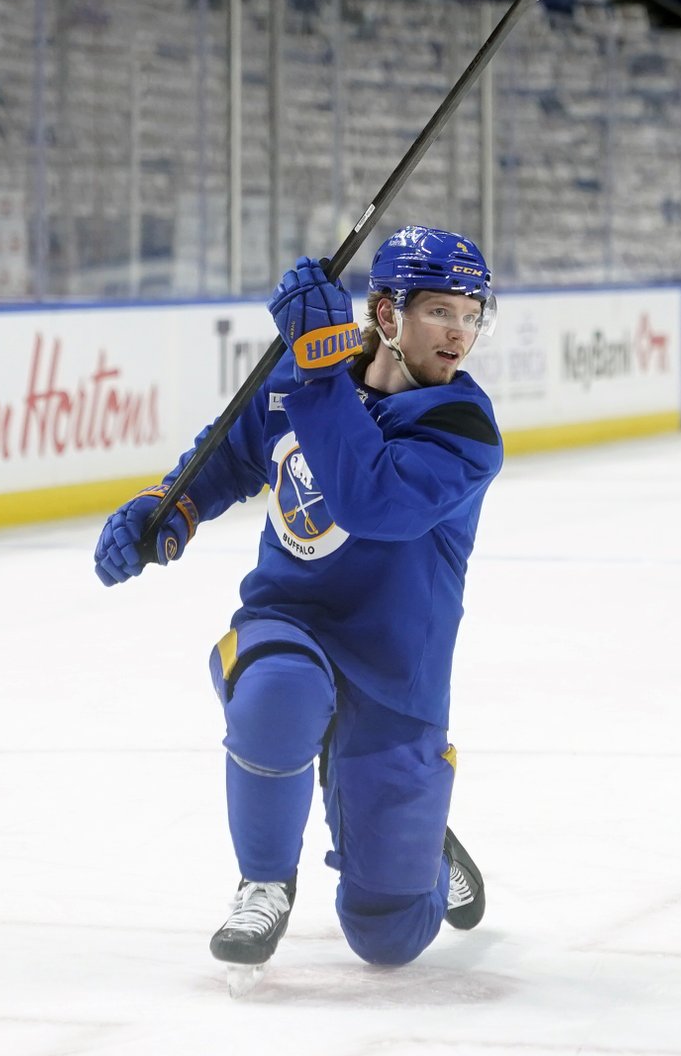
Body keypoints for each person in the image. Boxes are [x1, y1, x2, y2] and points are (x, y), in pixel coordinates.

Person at [94, 225, 503, 982]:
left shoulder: (463, 430)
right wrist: (167, 509)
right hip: (293, 618)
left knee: (388, 940)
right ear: (387, 313)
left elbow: (369, 495)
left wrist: (318, 373)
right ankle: (263, 884)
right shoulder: (307, 373)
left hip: (395, 668)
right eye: (441, 311)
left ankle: (421, 838)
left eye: (473, 314)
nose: (460, 333)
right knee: (277, 694)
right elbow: (236, 452)